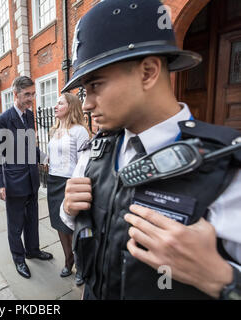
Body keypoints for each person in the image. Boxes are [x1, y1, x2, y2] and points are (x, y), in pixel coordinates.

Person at [61, 0, 241, 300]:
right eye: (84, 91)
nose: (88, 103)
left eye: (95, 85)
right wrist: (69, 210)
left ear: (147, 72)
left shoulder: (227, 166)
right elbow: (80, 226)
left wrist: (221, 279)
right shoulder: (97, 150)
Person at [0, 76, 53, 279]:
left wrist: (43, 157)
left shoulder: (29, 116)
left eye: (33, 94)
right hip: (14, 181)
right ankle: (19, 258)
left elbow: (29, 145)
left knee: (32, 219)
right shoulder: (3, 119)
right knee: (16, 224)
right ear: (15, 95)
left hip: (32, 179)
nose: (31, 98)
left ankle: (32, 250)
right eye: (27, 94)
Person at [46, 93, 90, 285]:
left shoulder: (79, 131)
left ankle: (81, 265)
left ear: (71, 107)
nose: (56, 106)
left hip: (70, 182)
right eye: (56, 103)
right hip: (53, 181)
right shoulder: (54, 130)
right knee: (58, 225)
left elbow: (84, 162)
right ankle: (68, 260)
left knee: (72, 226)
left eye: (60, 103)